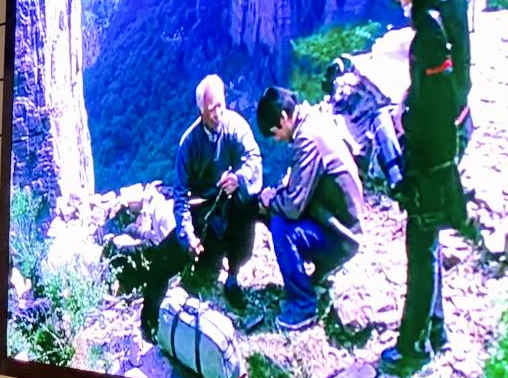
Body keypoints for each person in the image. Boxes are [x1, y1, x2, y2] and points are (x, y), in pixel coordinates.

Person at [374, 0, 475, 372]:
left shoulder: (429, 29)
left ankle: (413, 347)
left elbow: (433, 106)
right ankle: (437, 328)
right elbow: (447, 86)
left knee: (420, 241)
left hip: (435, 146)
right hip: (455, 127)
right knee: (427, 237)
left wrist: (405, 125)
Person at [140, 74, 262, 338]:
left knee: (250, 206)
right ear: (201, 111)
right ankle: (149, 322)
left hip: (230, 204)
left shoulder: (236, 127)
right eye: (211, 109)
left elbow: (253, 159)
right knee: (162, 260)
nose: (218, 114)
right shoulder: (189, 144)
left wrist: (239, 178)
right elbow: (181, 196)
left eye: (220, 105)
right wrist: (187, 236)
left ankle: (232, 277)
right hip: (202, 212)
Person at [256, 86, 365, 332]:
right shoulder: (314, 121)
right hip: (341, 220)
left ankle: (303, 306)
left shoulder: (307, 140)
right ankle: (317, 274)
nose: (277, 139)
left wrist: (270, 200)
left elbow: (293, 207)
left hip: (343, 236)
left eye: (275, 132)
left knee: (280, 225)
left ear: (284, 118)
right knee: (280, 212)